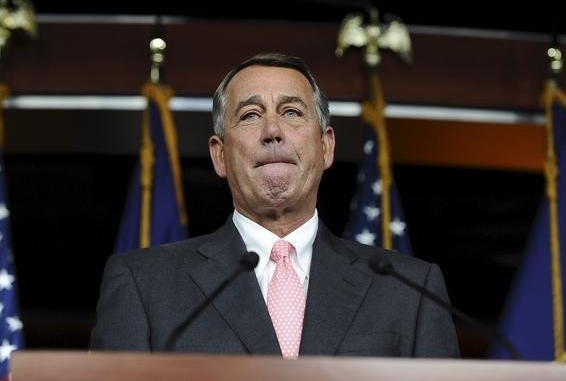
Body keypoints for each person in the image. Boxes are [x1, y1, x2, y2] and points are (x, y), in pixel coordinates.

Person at [90, 53, 459, 358]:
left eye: (293, 112)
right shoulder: (143, 284)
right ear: (220, 155)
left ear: (326, 146)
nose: (273, 130)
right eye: (250, 115)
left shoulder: (411, 290)